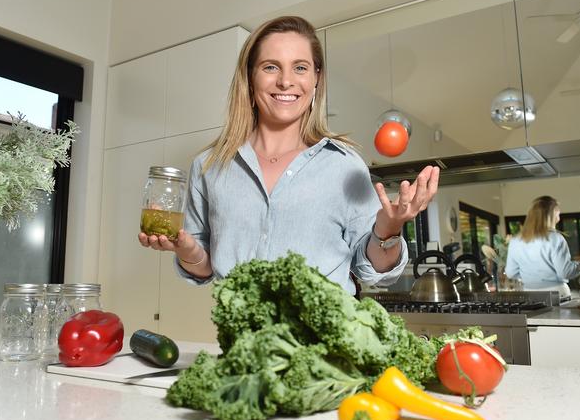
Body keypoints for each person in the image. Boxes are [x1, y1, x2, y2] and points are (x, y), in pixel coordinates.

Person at [138, 15, 439, 294]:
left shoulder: (344, 166)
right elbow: (203, 269)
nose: (286, 81)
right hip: (244, 347)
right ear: (250, 76)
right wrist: (188, 250)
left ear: (316, 78)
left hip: (325, 347)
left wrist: (388, 229)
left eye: (300, 67)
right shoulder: (209, 166)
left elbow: (375, 272)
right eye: (270, 67)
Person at [505, 195, 580, 296]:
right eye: (557, 209)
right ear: (551, 212)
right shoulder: (555, 238)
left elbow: (510, 272)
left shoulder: (515, 241)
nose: (559, 211)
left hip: (529, 293)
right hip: (557, 292)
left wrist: (531, 277)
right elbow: (565, 272)